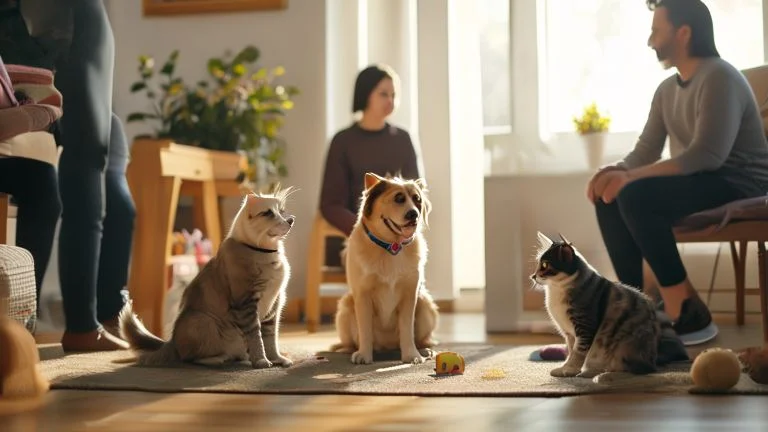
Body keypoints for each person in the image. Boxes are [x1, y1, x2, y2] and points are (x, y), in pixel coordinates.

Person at [586, 0, 768, 345]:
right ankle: (637, 313)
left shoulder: (720, 76)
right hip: (702, 179)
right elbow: (645, 151)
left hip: (743, 183)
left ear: (683, 33)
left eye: (656, 31)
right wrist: (615, 171)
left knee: (635, 194)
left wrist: (631, 179)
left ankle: (686, 310)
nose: (650, 41)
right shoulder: (666, 90)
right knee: (609, 197)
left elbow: (707, 155)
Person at [3, 0, 136, 351]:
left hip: (38, 21)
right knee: (87, 156)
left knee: (107, 145)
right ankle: (81, 326)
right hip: (61, 18)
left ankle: (106, 313)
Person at [319, 64, 422, 266]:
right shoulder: (342, 142)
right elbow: (330, 205)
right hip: (354, 237)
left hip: (400, 237)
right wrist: (368, 231)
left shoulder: (403, 139)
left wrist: (398, 230)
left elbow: (415, 194)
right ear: (365, 94)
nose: (390, 101)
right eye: (383, 94)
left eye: (394, 95)